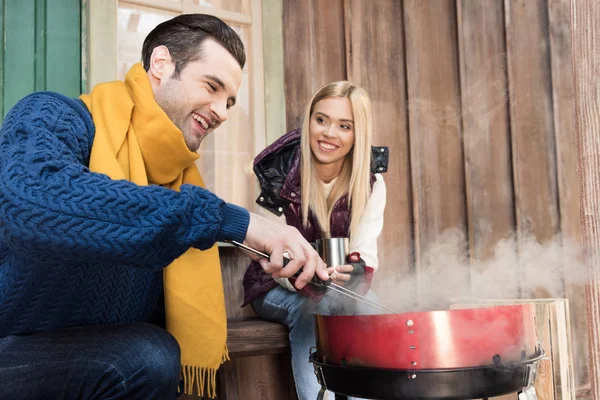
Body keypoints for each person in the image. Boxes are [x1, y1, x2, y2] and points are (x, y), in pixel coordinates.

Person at [0, 14, 328, 400]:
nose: (222, 112)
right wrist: (232, 221)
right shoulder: (54, 116)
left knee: (154, 352)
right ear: (161, 65)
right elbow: (31, 201)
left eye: (230, 101)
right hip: (13, 346)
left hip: (104, 361)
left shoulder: (177, 179)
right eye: (212, 86)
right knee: (148, 355)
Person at [242, 81, 388, 399]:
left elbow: (365, 248)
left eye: (344, 126)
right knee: (312, 310)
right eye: (321, 120)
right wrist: (310, 279)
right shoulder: (276, 171)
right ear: (309, 120)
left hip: (334, 285)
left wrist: (355, 272)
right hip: (273, 284)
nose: (329, 133)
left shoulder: (370, 182)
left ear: (357, 134)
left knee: (375, 313)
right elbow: (267, 248)